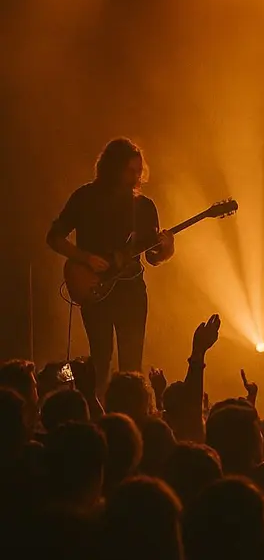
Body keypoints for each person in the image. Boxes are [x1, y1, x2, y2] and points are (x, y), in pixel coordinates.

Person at [48, 138, 174, 391]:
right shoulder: (85, 197)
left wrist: (167, 248)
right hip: (95, 290)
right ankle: (98, 413)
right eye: (131, 170)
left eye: (139, 171)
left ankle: (128, 417)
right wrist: (85, 258)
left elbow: (153, 256)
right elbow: (54, 237)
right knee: (100, 359)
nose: (137, 176)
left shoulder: (145, 207)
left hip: (132, 292)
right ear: (113, 168)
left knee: (131, 365)